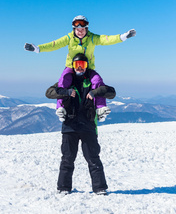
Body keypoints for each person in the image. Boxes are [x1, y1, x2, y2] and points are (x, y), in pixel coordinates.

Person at [24, 15, 136, 110]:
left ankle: (101, 108)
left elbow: (106, 39)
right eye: (78, 30)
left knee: (97, 81)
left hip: (88, 68)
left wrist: (123, 37)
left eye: (82, 29)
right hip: (71, 67)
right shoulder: (69, 38)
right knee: (64, 80)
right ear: (74, 29)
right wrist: (37, 49)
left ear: (86, 29)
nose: (80, 32)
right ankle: (61, 108)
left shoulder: (92, 38)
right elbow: (54, 44)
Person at [46, 53, 116, 195]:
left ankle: (100, 188)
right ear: (72, 66)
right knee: (67, 158)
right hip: (69, 126)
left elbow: (111, 92)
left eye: (82, 65)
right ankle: (63, 188)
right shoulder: (67, 81)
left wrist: (95, 92)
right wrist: (66, 91)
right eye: (77, 65)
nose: (79, 68)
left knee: (93, 158)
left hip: (87, 126)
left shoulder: (92, 81)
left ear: (86, 66)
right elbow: (49, 92)